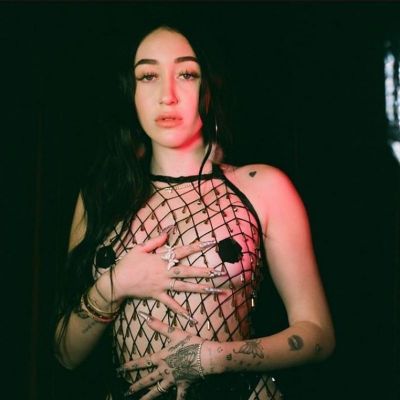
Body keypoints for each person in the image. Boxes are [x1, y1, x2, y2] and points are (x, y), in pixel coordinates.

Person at [54, 22, 335, 400]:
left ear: (208, 87)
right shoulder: (101, 196)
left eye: (186, 74)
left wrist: (211, 357)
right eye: (148, 76)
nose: (166, 96)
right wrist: (114, 284)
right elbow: (66, 355)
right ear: (130, 91)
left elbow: (318, 335)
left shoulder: (263, 187)